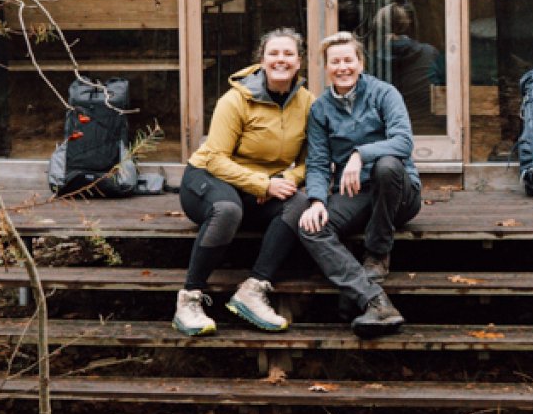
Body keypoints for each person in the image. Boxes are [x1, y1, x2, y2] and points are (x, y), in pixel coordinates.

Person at [174, 29, 312, 336]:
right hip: (207, 180)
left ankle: (252, 289)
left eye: (288, 54)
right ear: (261, 60)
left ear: (299, 62)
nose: (281, 60)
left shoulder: (307, 104)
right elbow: (215, 159)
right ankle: (189, 299)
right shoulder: (236, 100)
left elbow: (309, 162)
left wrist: (285, 179)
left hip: (259, 186)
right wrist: (261, 184)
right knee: (227, 210)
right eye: (273, 53)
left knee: (299, 203)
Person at [293, 30, 417, 336]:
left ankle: (377, 253)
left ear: (360, 63)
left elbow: (403, 142)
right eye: (335, 62)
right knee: (311, 227)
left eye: (349, 60)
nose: (342, 67)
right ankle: (372, 300)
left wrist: (360, 154)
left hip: (400, 193)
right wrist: (317, 200)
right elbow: (319, 164)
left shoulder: (384, 94)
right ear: (326, 68)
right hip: (358, 194)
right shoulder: (320, 109)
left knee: (387, 167)